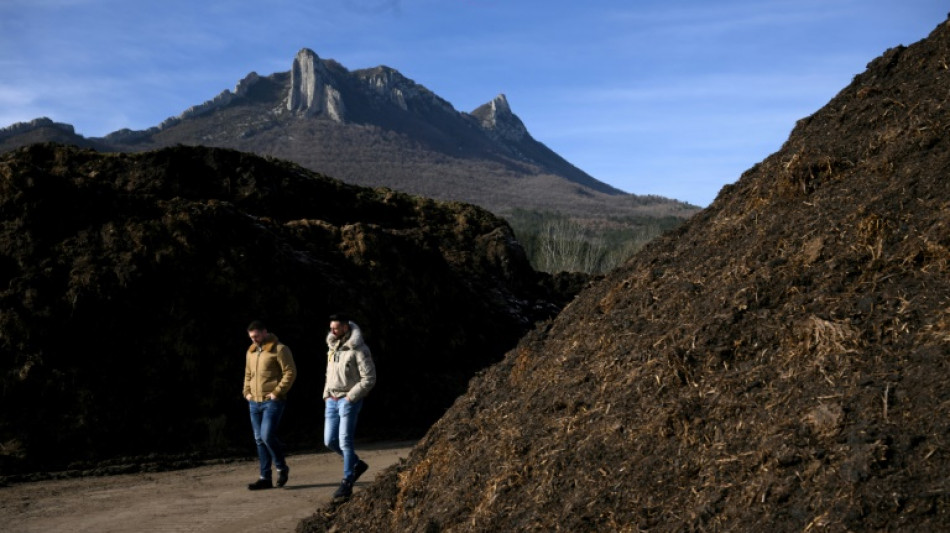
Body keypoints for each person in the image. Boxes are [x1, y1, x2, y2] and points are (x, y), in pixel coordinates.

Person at [324, 313, 377, 499]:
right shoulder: (332, 347)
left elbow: (369, 378)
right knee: (329, 441)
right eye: (331, 328)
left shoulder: (360, 349)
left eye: (335, 328)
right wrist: (326, 395)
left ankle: (347, 482)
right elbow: (329, 374)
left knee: (345, 441)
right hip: (331, 400)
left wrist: (350, 397)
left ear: (345, 328)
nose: (332, 331)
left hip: (348, 401)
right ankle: (357, 464)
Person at [243, 320, 297, 490]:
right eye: (251, 337)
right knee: (259, 440)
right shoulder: (251, 352)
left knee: (266, 436)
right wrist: (247, 393)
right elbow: (248, 374)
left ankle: (281, 467)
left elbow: (290, 372)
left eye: (256, 336)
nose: (254, 340)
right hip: (254, 402)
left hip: (272, 402)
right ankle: (265, 478)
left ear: (265, 332)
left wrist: (277, 392)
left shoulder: (280, 349)